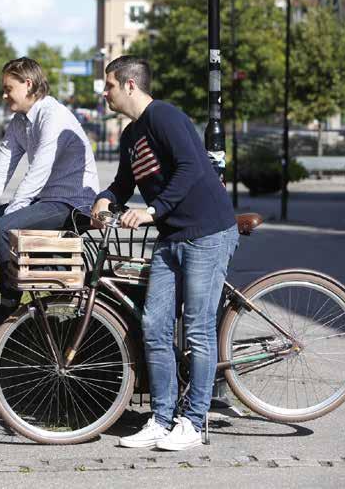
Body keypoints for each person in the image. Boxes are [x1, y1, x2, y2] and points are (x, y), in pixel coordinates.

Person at [91, 56, 238, 451]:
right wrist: (104, 200)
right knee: (154, 325)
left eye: (108, 86)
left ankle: (193, 422)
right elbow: (123, 183)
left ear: (130, 86)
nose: (104, 94)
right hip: (172, 237)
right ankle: (161, 418)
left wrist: (154, 210)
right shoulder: (130, 135)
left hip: (206, 232)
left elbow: (191, 166)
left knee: (198, 329)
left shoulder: (164, 117)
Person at [0, 57, 100, 329]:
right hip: (44, 201)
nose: (4, 94)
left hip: (72, 203)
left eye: (8, 88)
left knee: (7, 226)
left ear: (28, 84)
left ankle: (9, 309)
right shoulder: (19, 121)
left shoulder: (53, 115)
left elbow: (38, 173)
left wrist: (1, 224)